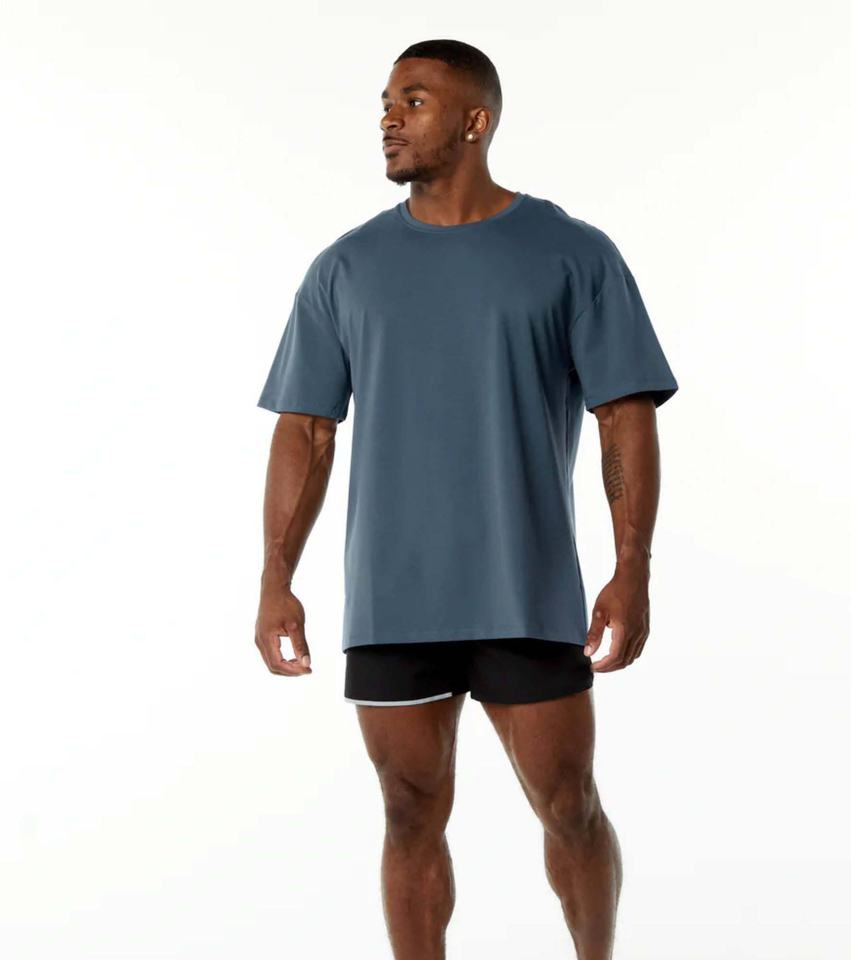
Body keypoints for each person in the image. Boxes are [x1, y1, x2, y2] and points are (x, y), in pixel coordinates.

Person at [254, 38, 678, 960]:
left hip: (524, 585)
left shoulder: (572, 254)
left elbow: (624, 416)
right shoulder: (346, 268)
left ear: (476, 121)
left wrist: (632, 568)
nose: (388, 118)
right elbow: (306, 430)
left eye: (413, 100)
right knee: (408, 810)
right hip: (393, 593)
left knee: (568, 804)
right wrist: (275, 579)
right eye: (385, 101)